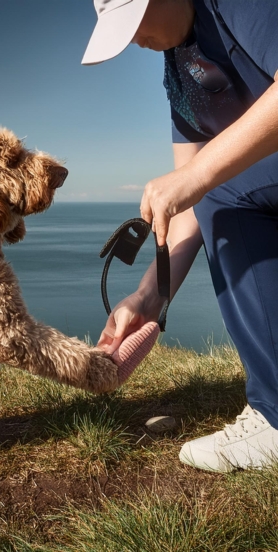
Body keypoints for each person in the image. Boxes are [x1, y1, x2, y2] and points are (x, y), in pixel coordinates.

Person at [83, 0, 278, 472]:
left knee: (216, 189)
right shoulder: (178, 78)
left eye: (132, 24)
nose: (132, 41)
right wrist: (150, 296)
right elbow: (189, 209)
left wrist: (198, 178)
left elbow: (201, 185)